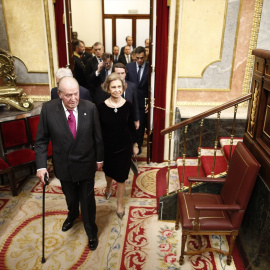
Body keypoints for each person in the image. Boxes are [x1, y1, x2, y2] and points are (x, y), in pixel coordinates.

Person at [35, 77, 104, 251]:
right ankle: (72, 214)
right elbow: (42, 140)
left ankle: (91, 231)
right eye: (68, 95)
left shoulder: (90, 107)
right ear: (59, 94)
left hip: (86, 163)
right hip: (63, 165)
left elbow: (98, 138)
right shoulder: (48, 110)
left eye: (76, 94)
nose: (73, 99)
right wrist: (41, 166)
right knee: (71, 198)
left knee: (87, 201)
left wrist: (99, 159)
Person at [97, 73, 138, 219]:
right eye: (113, 87)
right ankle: (108, 187)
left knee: (121, 177)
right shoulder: (101, 106)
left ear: (123, 87)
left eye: (119, 87)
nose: (116, 90)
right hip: (108, 148)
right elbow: (98, 130)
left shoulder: (128, 105)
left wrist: (135, 144)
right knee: (108, 173)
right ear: (107, 88)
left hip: (124, 147)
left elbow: (132, 127)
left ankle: (119, 204)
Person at [126, 46, 149, 154]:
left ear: (145, 56)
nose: (140, 60)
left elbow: (151, 87)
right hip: (130, 101)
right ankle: (130, 146)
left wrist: (149, 101)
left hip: (142, 102)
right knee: (130, 125)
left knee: (140, 126)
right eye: (138, 57)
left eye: (142, 58)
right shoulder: (129, 66)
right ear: (134, 56)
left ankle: (138, 147)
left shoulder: (150, 67)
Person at [112, 63, 140, 130]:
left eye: (122, 73)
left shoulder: (132, 86)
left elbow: (135, 104)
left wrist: (137, 120)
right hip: (114, 118)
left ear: (125, 74)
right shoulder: (110, 87)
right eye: (118, 73)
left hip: (128, 120)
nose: (121, 75)